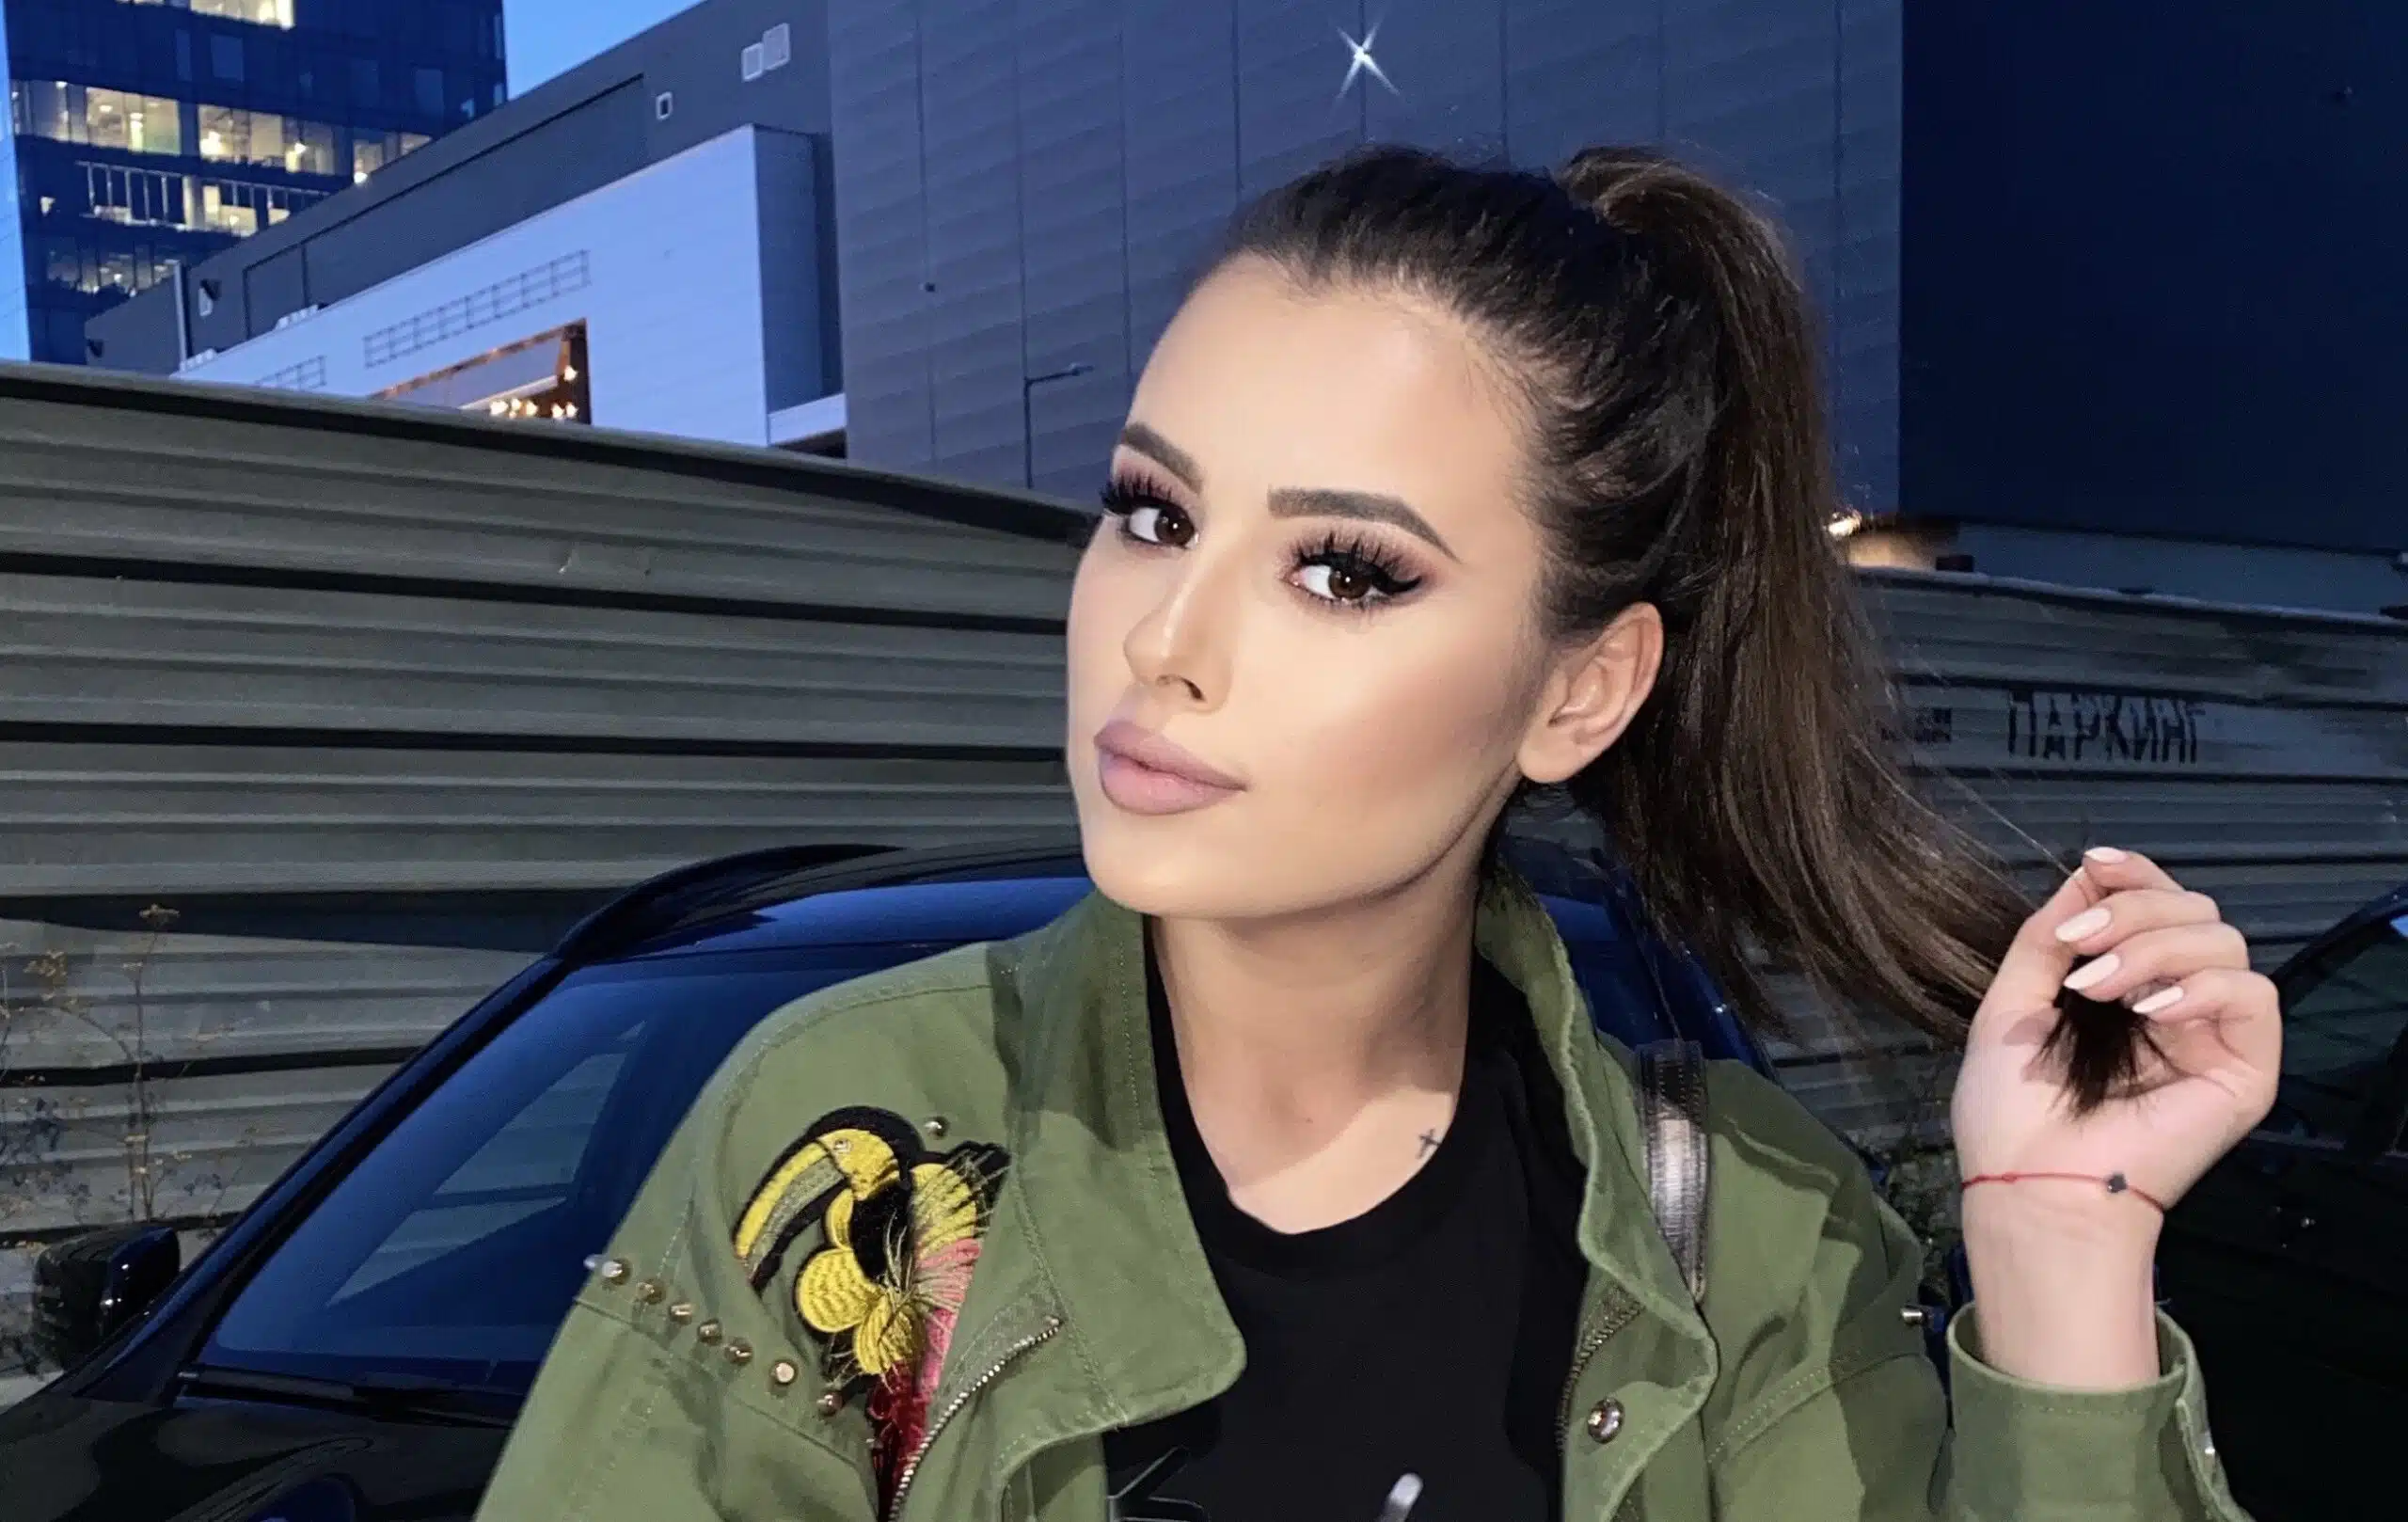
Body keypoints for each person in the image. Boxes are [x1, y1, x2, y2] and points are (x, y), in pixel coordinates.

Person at [476, 144, 2273, 1522]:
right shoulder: (856, 1147)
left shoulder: (1753, 1242)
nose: (1166, 642)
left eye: (1343, 570)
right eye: (1153, 513)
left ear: (1582, 690)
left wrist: (2061, 1246)